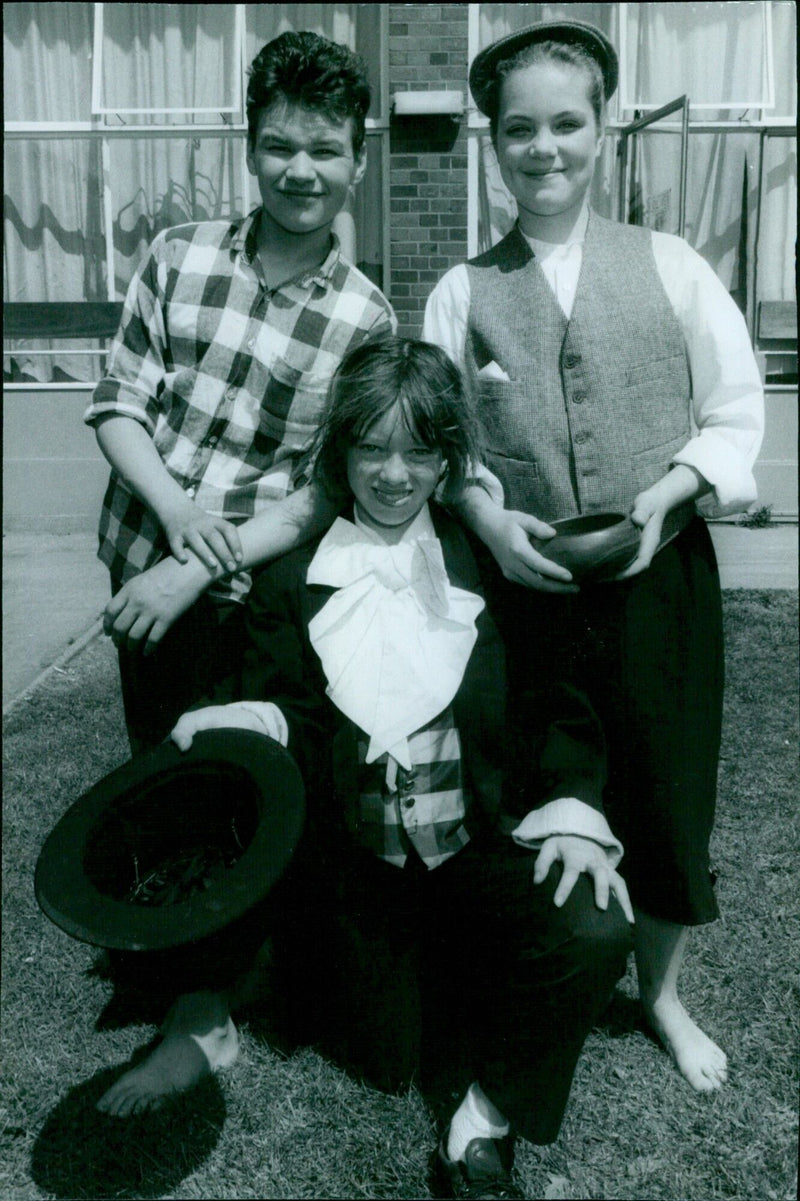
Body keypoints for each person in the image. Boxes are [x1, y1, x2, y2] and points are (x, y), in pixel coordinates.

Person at [153, 337, 635, 1198]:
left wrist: (572, 811)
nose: (392, 473)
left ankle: (484, 1116)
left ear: (450, 458)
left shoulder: (490, 561)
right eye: (371, 446)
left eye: (419, 450)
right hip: (359, 874)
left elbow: (558, 702)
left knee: (595, 923)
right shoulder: (293, 575)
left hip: (478, 852)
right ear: (340, 451)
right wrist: (245, 714)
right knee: (388, 1057)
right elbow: (294, 716)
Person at [423, 19, 764, 1094]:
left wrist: (664, 499)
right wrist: (485, 519)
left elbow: (731, 413)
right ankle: (537, 968)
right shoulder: (460, 290)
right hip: (521, 585)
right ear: (492, 143)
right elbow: (438, 442)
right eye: (517, 129)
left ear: (602, 130)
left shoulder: (668, 266)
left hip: (657, 573)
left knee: (664, 786)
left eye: (565, 124)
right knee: (535, 779)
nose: (543, 149)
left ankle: (658, 993)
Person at [85, 30, 395, 753]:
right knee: (157, 775)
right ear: (250, 148)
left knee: (244, 790)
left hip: (251, 597)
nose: (300, 171)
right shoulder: (176, 255)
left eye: (325, 150)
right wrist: (177, 514)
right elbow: (118, 403)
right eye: (279, 146)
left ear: (358, 160)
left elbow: (325, 489)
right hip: (138, 564)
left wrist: (194, 565)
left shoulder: (367, 319)